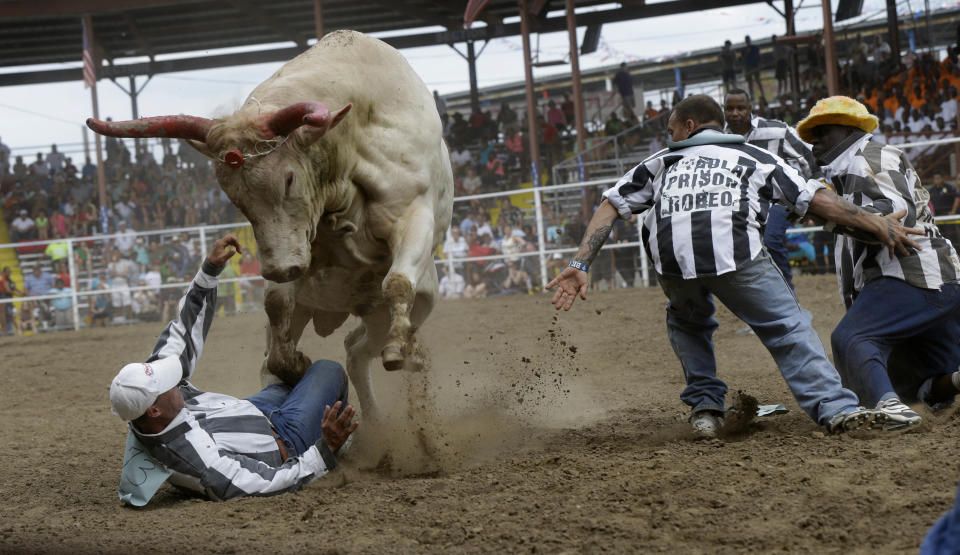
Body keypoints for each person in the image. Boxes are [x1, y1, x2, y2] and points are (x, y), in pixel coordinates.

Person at [547, 94, 924, 438]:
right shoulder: (754, 157)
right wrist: (876, 222)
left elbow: (610, 204)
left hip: (671, 261)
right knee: (787, 327)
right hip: (735, 254)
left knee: (687, 322)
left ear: (689, 126)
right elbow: (814, 199)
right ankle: (836, 409)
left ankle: (705, 409)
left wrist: (580, 262)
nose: (669, 134)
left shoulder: (658, 163)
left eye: (671, 128)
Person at [108, 234, 358, 502]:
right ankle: (341, 444)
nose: (173, 378)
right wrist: (324, 449)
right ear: (154, 409)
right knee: (327, 370)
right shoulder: (198, 461)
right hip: (285, 440)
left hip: (254, 410)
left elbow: (183, 332)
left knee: (284, 375)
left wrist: (209, 271)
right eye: (167, 383)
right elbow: (266, 483)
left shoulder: (150, 398)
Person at [797, 96, 960, 420]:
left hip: (911, 275)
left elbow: (891, 214)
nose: (814, 143)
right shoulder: (854, 167)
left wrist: (829, 214)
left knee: (852, 338)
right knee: (912, 383)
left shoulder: (868, 157)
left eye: (822, 132)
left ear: (846, 129)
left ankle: (889, 409)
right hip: (937, 281)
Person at [724, 88, 822, 290]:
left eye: (740, 108)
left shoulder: (777, 131)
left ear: (750, 108)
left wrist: (810, 197)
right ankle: (766, 305)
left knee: (770, 240)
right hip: (739, 206)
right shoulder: (719, 139)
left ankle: (788, 297)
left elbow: (810, 161)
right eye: (729, 108)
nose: (735, 113)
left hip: (775, 201)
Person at [741, 35, 764, 100]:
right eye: (746, 40)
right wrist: (747, 53)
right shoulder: (743, 49)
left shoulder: (755, 47)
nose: (747, 41)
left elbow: (759, 56)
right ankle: (752, 96)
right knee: (749, 82)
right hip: (748, 66)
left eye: (748, 40)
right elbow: (742, 59)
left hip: (755, 66)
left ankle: (762, 94)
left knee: (758, 80)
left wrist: (761, 64)